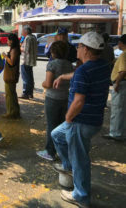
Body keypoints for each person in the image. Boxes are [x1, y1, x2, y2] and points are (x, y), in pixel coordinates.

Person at [51, 32, 110, 208]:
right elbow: (78, 75)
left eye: (79, 46)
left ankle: (81, 196)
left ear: (86, 49)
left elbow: (78, 102)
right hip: (94, 120)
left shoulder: (84, 70)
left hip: (80, 122)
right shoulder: (102, 66)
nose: (76, 49)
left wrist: (68, 119)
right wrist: (62, 76)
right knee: (57, 135)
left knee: (81, 160)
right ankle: (69, 166)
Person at [36, 41, 73, 161]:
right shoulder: (69, 65)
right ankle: (61, 151)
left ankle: (50, 152)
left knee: (51, 125)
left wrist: (42, 84)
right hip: (65, 98)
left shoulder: (52, 64)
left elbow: (48, 84)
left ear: (53, 52)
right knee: (62, 125)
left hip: (52, 98)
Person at [103, 34, 126, 141]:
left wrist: (116, 83)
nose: (118, 44)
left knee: (117, 109)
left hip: (121, 83)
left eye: (119, 42)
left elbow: (122, 71)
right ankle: (120, 132)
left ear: (122, 43)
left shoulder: (123, 55)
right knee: (121, 109)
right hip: (123, 83)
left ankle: (115, 133)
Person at [2, 33, 21, 119]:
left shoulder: (14, 50)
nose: (7, 42)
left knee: (10, 95)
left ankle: (11, 113)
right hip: (11, 76)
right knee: (11, 94)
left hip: (11, 76)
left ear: (12, 41)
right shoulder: (15, 49)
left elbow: (12, 62)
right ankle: (15, 112)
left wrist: (5, 56)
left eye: (8, 40)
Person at [20, 25, 37, 99]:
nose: (22, 32)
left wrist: (20, 48)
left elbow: (26, 50)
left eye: (23, 30)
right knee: (30, 77)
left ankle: (25, 93)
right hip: (31, 60)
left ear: (26, 31)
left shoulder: (27, 38)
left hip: (26, 61)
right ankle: (30, 93)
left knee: (26, 78)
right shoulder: (33, 37)